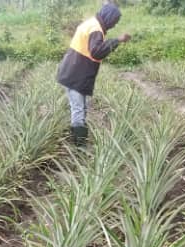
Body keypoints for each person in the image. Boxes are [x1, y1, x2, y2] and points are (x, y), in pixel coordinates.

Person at [56, 4, 131, 146]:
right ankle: (79, 147)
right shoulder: (96, 29)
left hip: (74, 71)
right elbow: (96, 52)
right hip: (76, 74)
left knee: (80, 108)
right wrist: (118, 40)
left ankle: (79, 140)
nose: (114, 25)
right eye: (114, 21)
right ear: (108, 17)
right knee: (78, 109)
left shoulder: (91, 23)